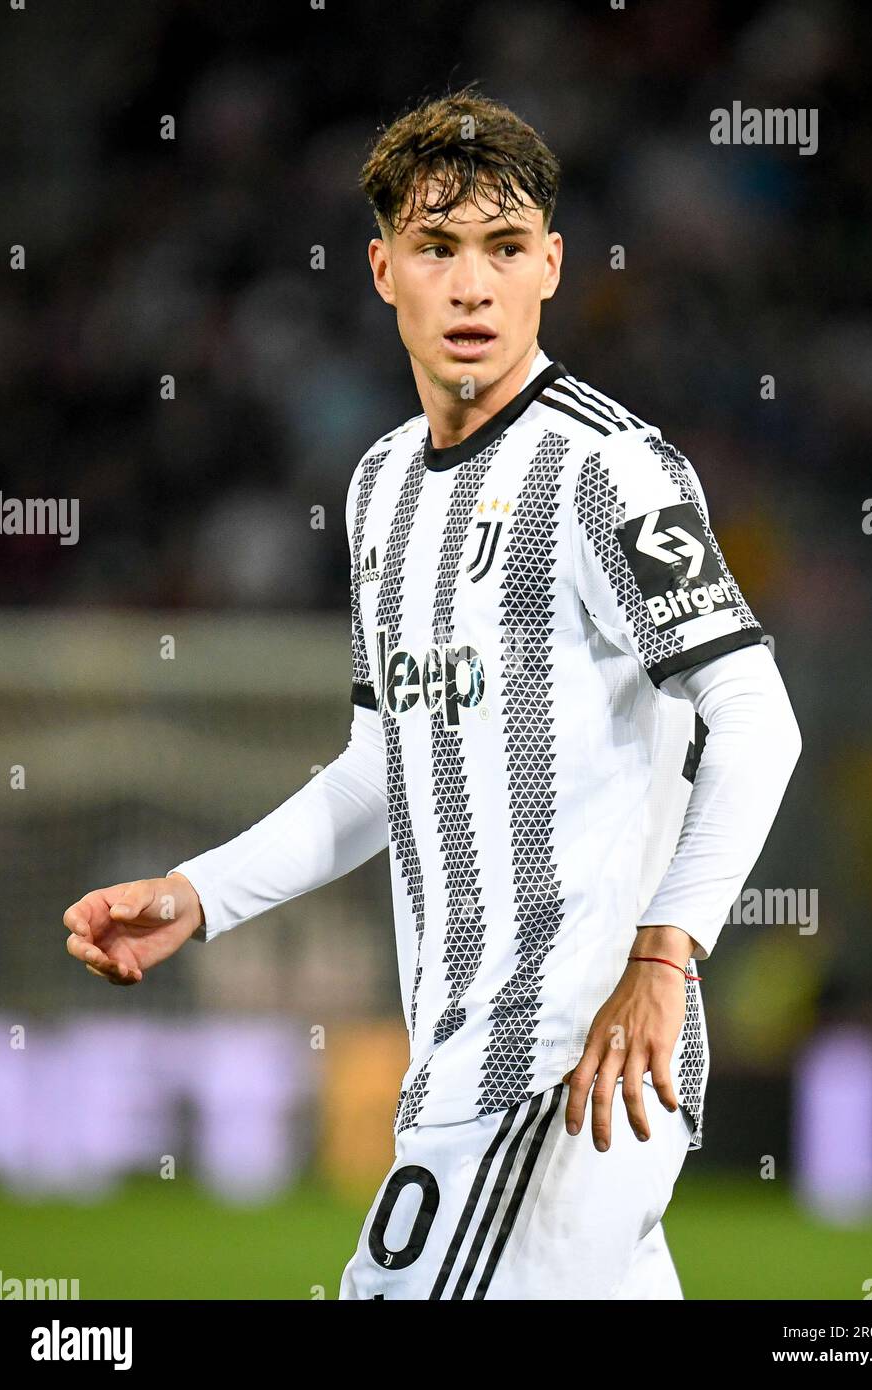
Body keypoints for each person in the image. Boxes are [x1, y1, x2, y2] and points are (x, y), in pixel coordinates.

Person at [62, 86, 802, 1300]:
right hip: (462, 1056)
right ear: (381, 268)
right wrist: (201, 894)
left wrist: (665, 954)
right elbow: (380, 767)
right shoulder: (379, 487)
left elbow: (757, 715)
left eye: (506, 250)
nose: (471, 287)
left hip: (564, 1066)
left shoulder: (610, 471)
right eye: (437, 248)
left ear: (552, 267)